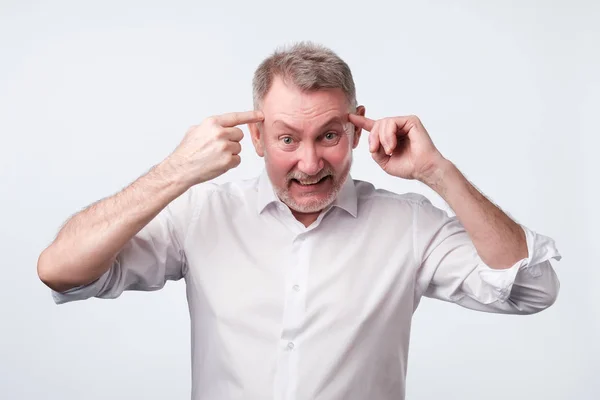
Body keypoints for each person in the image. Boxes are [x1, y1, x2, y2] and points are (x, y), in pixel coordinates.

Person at [37, 41, 562, 400]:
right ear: (259, 137)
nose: (310, 164)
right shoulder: (201, 215)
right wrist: (175, 171)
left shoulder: (409, 225)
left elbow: (532, 288)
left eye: (329, 135)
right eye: (288, 138)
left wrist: (437, 172)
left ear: (357, 131)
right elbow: (61, 269)